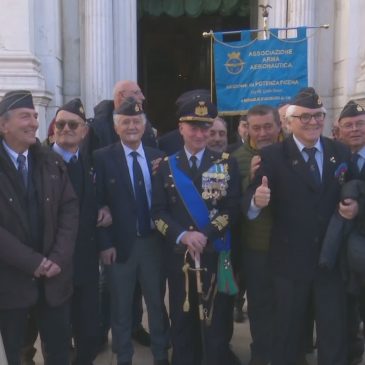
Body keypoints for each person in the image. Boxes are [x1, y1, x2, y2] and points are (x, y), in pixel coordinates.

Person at [244, 87, 357, 365]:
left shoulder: (339, 152)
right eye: (305, 117)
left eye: (318, 116)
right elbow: (249, 201)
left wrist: (356, 206)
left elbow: (357, 189)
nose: (313, 122)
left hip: (329, 260)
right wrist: (257, 201)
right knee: (289, 334)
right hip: (289, 263)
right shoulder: (272, 156)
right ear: (288, 122)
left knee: (333, 332)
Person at [151, 95, 241, 365]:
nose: (201, 133)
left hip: (214, 252)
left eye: (206, 127)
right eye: (194, 127)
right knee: (181, 318)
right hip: (180, 256)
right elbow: (157, 213)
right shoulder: (166, 166)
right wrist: (184, 235)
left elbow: (232, 208)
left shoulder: (226, 163)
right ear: (181, 128)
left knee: (215, 320)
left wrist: (206, 233)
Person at [0, 90, 79, 365]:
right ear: (3, 124)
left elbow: (70, 210)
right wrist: (33, 262)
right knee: (17, 355)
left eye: (35, 116)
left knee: (59, 353)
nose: (34, 122)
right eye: (25, 116)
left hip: (53, 282)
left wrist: (56, 259)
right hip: (11, 285)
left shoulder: (50, 161)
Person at [94, 97, 169, 365]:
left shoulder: (159, 157)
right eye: (125, 122)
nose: (132, 126)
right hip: (119, 246)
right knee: (121, 308)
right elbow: (98, 203)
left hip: (153, 244)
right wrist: (104, 244)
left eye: (137, 121)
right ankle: (123, 357)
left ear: (144, 125)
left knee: (158, 306)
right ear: (116, 127)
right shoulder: (102, 158)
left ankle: (161, 355)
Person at [91, 79, 153, 347]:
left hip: (147, 236)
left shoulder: (152, 143)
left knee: (141, 290)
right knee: (113, 291)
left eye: (137, 121)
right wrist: (104, 238)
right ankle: (106, 334)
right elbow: (92, 189)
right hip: (116, 233)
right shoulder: (95, 131)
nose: (132, 126)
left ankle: (136, 326)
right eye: (136, 92)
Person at [232, 104, 281, 365]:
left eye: (267, 126)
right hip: (256, 248)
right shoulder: (236, 158)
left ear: (279, 126)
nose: (262, 133)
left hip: (287, 248)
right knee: (260, 308)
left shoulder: (290, 153)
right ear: (247, 129)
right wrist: (249, 180)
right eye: (256, 127)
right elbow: (231, 202)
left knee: (287, 308)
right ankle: (261, 355)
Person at [337, 100, 365, 365]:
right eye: (348, 125)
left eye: (360, 124)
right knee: (344, 310)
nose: (355, 129)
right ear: (339, 131)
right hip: (341, 251)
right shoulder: (334, 158)